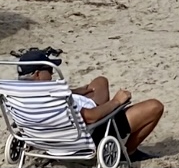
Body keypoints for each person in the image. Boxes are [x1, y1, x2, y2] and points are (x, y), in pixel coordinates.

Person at [17, 50, 163, 160]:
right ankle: (129, 152)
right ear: (37, 74)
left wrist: (72, 92)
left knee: (100, 81)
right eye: (49, 70)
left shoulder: (15, 95)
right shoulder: (54, 99)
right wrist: (117, 101)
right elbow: (91, 118)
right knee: (155, 107)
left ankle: (104, 110)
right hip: (83, 137)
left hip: (46, 139)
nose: (52, 73)